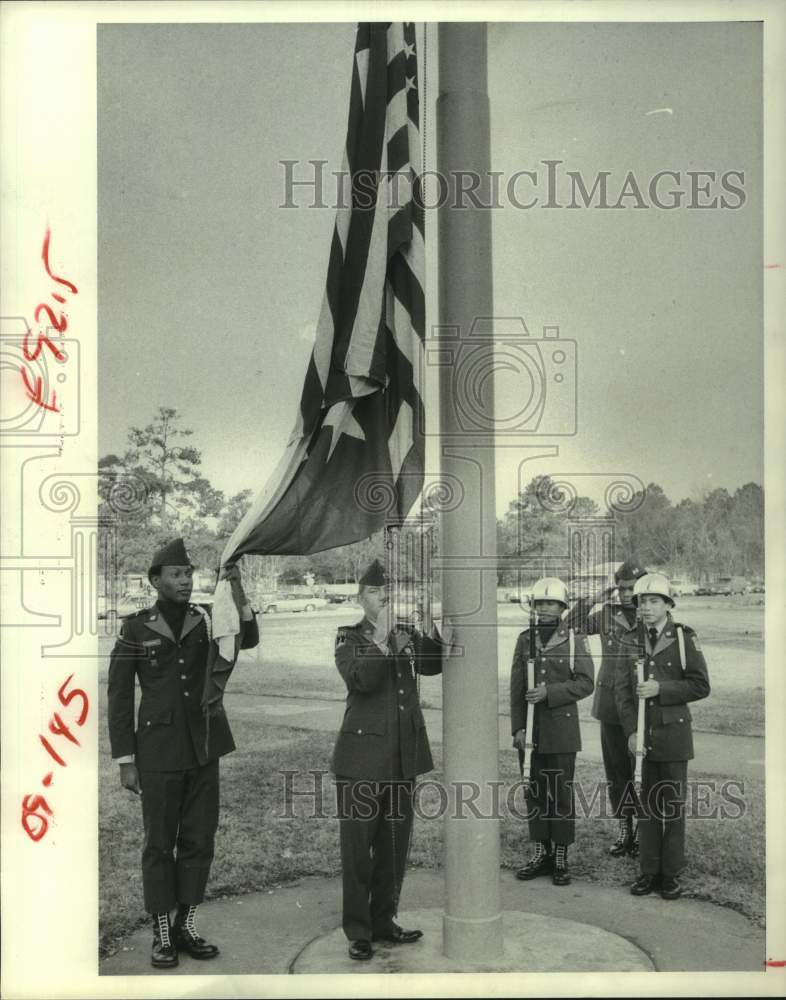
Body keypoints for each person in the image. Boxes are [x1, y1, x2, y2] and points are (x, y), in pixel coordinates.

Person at [107, 538, 259, 969]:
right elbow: (119, 696)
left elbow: (246, 638)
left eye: (189, 574)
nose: (185, 581)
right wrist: (126, 760)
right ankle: (161, 935)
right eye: (176, 574)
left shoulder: (207, 618)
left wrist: (239, 590)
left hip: (204, 746)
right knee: (159, 845)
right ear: (155, 581)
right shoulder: (135, 627)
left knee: (199, 840)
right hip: (156, 753)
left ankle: (186, 926)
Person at [332, 558, 444, 961]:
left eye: (389, 592)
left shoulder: (404, 632)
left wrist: (429, 621)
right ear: (361, 598)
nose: (385, 598)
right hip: (361, 760)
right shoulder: (348, 636)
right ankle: (359, 931)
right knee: (359, 851)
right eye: (378, 593)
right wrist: (382, 635)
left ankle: (384, 920)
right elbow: (361, 679)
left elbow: (433, 665)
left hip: (401, 758)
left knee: (394, 848)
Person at [614, 572, 710, 900]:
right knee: (647, 808)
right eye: (642, 601)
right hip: (642, 738)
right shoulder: (629, 640)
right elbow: (622, 692)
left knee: (672, 807)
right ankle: (648, 871)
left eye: (654, 600)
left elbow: (700, 685)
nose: (647, 607)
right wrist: (630, 731)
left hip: (673, 736)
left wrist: (661, 688)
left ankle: (670, 874)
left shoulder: (683, 637)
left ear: (668, 604)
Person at [511, 577, 594, 886]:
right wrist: (518, 727)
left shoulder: (574, 639)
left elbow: (586, 682)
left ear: (562, 607)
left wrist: (550, 693)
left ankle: (560, 854)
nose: (545, 608)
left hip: (561, 730)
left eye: (551, 603)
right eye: (540, 603)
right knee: (534, 792)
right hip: (530, 731)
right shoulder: (524, 639)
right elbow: (517, 685)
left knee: (559, 794)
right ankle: (540, 851)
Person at [563, 560, 647, 857]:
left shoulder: (652, 613)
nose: (626, 594)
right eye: (621, 588)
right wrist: (592, 600)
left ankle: (645, 832)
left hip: (643, 704)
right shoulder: (607, 614)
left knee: (644, 772)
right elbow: (569, 627)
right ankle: (625, 827)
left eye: (632, 588)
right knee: (617, 772)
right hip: (611, 703)